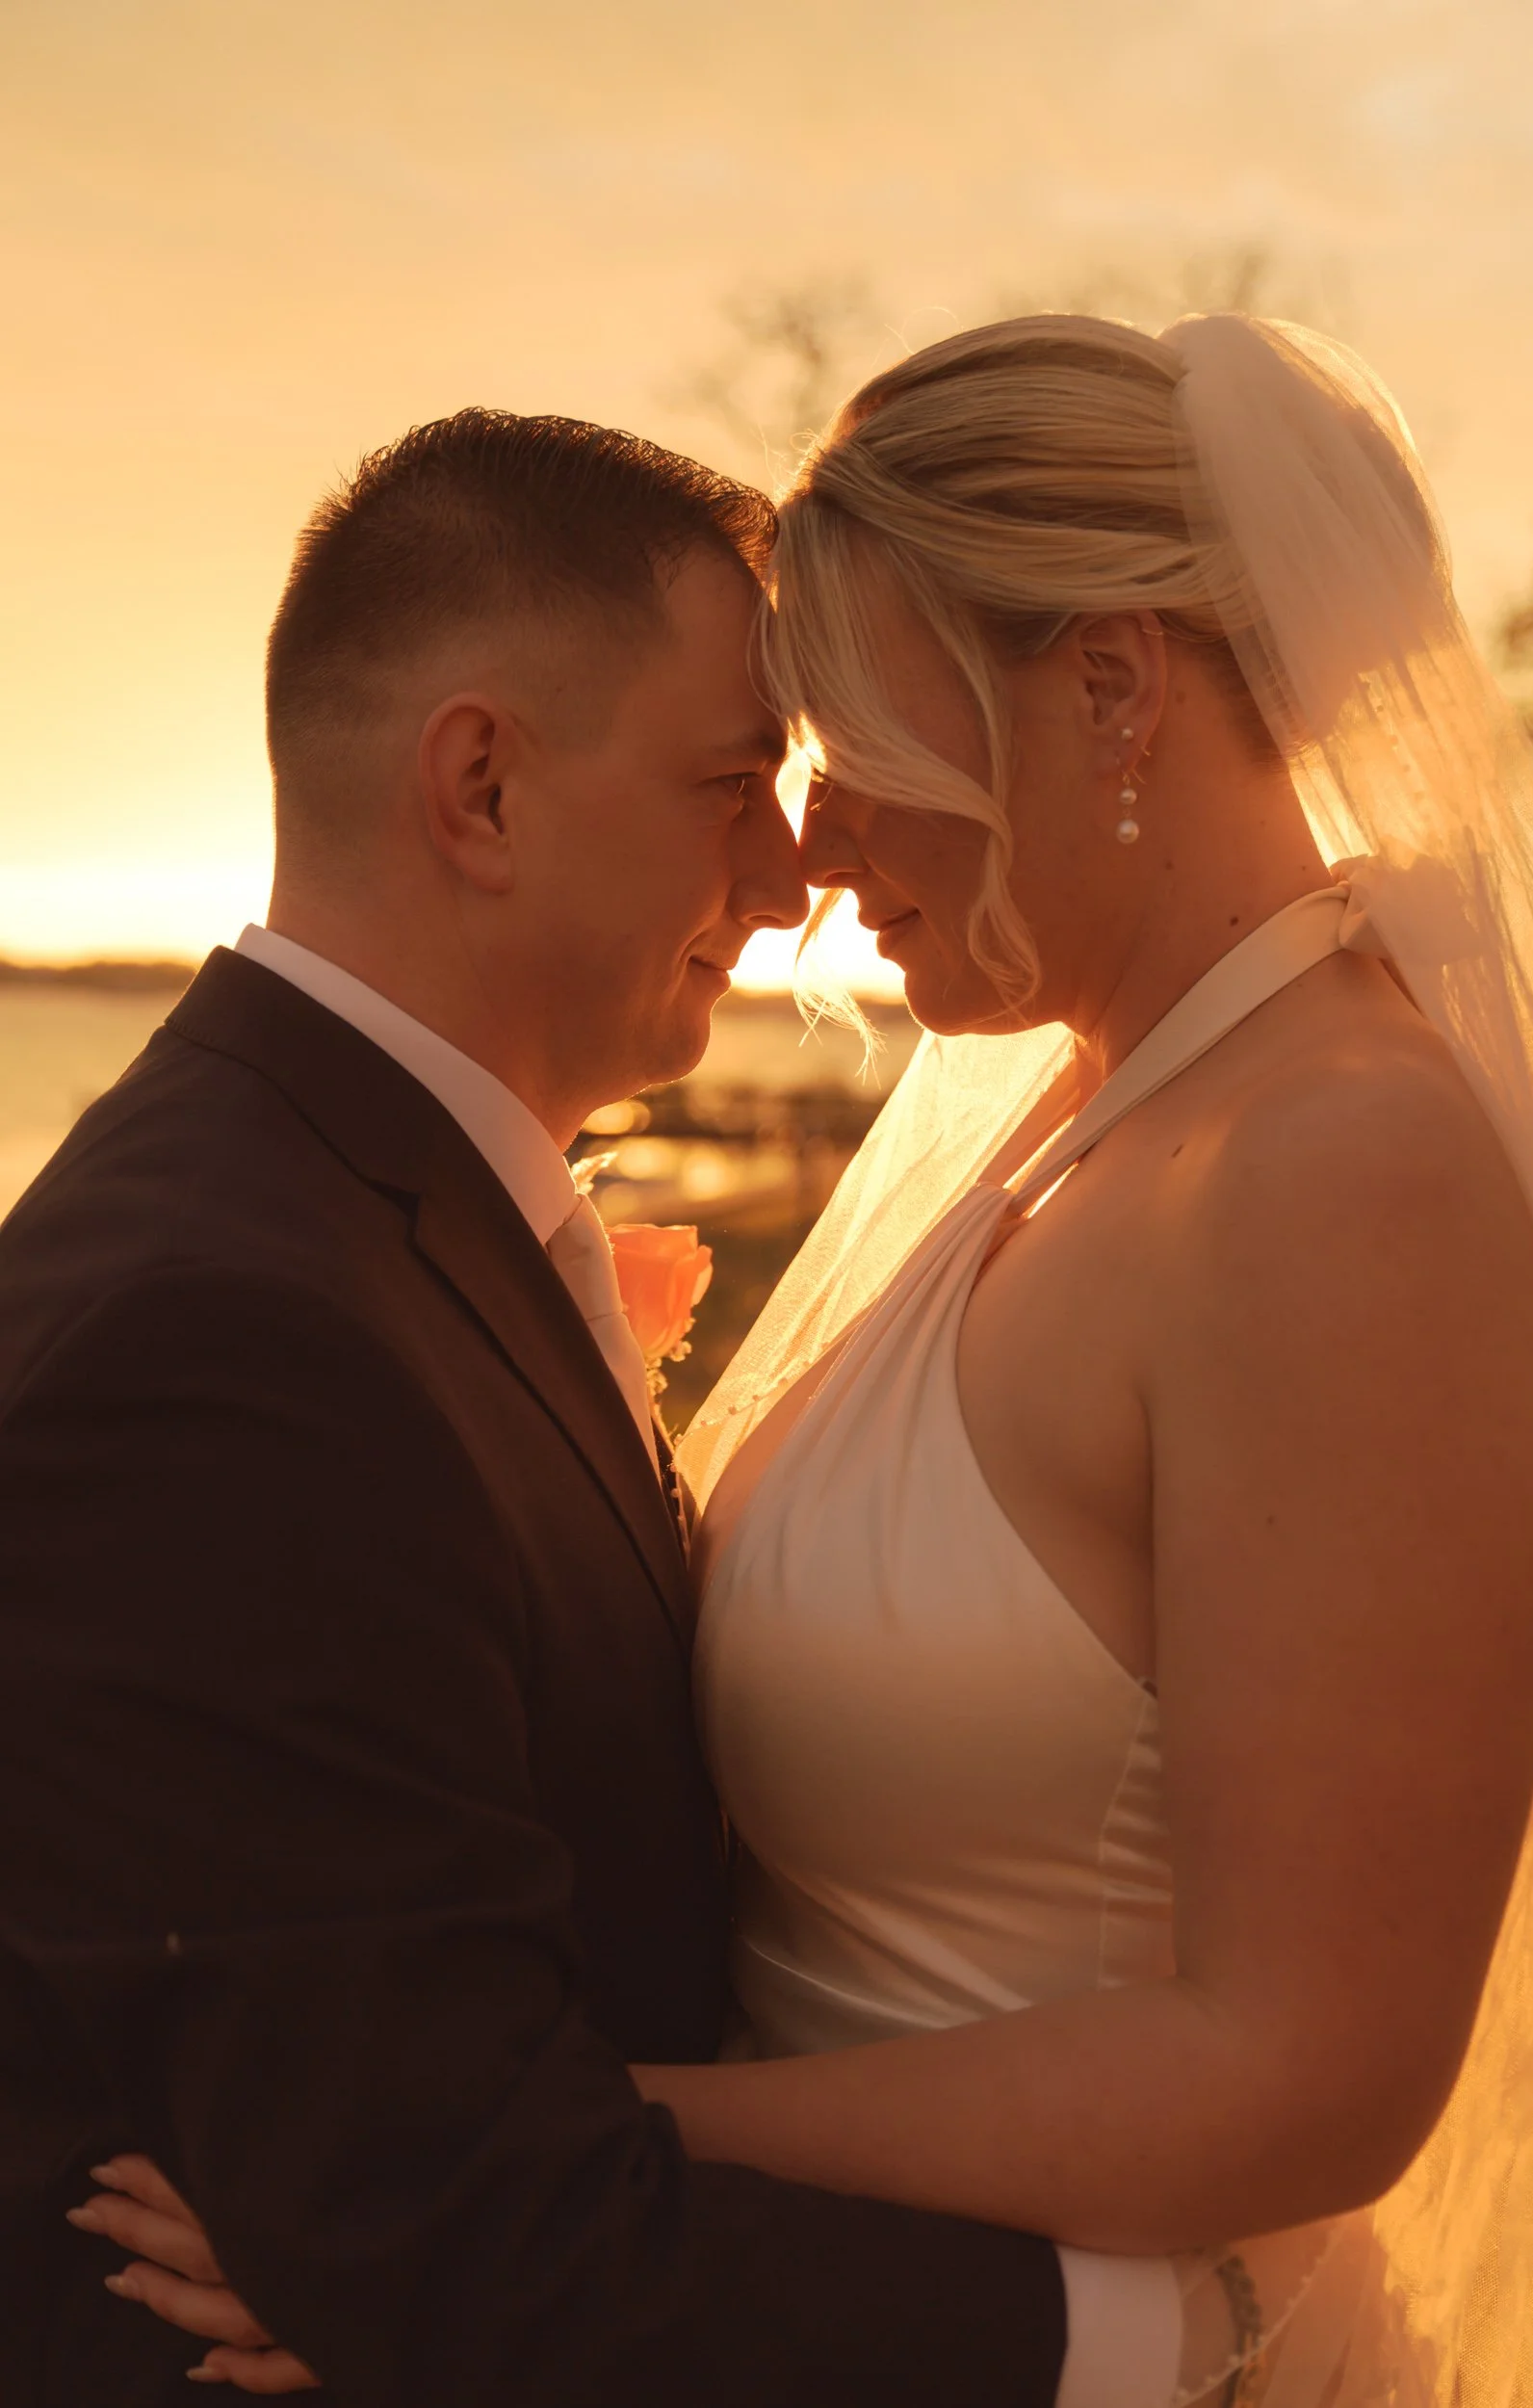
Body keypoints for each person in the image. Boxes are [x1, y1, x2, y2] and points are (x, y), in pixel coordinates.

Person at [71, 320, 1533, 2403]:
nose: (811, 864)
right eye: (763, 770)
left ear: (1112, 694)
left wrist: (542, 2155)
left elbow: (1310, 2071)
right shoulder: (1096, 1110)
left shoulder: (1345, 1169)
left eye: (854, 747)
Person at [0, 410, 1077, 2405]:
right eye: (730, 782)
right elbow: (447, 2223)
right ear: (480, 785)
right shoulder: (226, 1336)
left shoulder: (343, 1211)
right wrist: (1160, 2326)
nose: (790, 882)